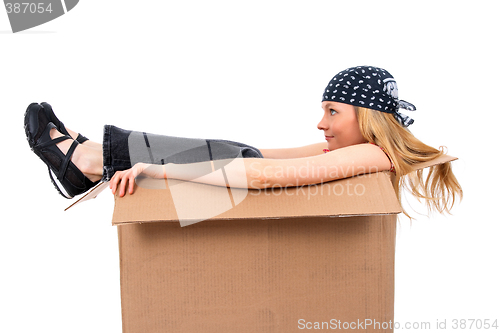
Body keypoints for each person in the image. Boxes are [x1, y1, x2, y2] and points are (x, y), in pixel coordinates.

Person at [24, 65, 462, 217]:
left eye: (332, 112)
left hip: (246, 198)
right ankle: (94, 158)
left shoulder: (371, 152)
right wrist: (230, 149)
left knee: (237, 157)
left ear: (366, 117)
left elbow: (268, 176)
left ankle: (83, 161)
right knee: (238, 147)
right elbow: (269, 155)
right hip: (244, 182)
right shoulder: (358, 149)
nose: (320, 123)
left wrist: (158, 169)